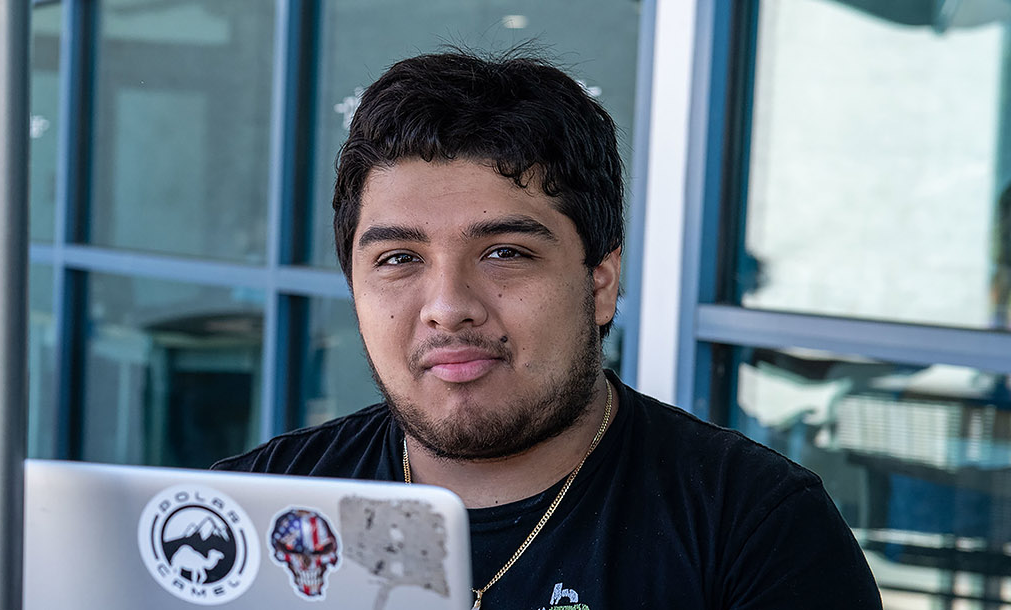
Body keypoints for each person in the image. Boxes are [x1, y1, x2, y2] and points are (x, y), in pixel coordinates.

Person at [213, 49, 881, 609]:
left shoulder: (753, 528)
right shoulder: (250, 510)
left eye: (505, 252)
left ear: (600, 282)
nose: (448, 305)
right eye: (399, 259)